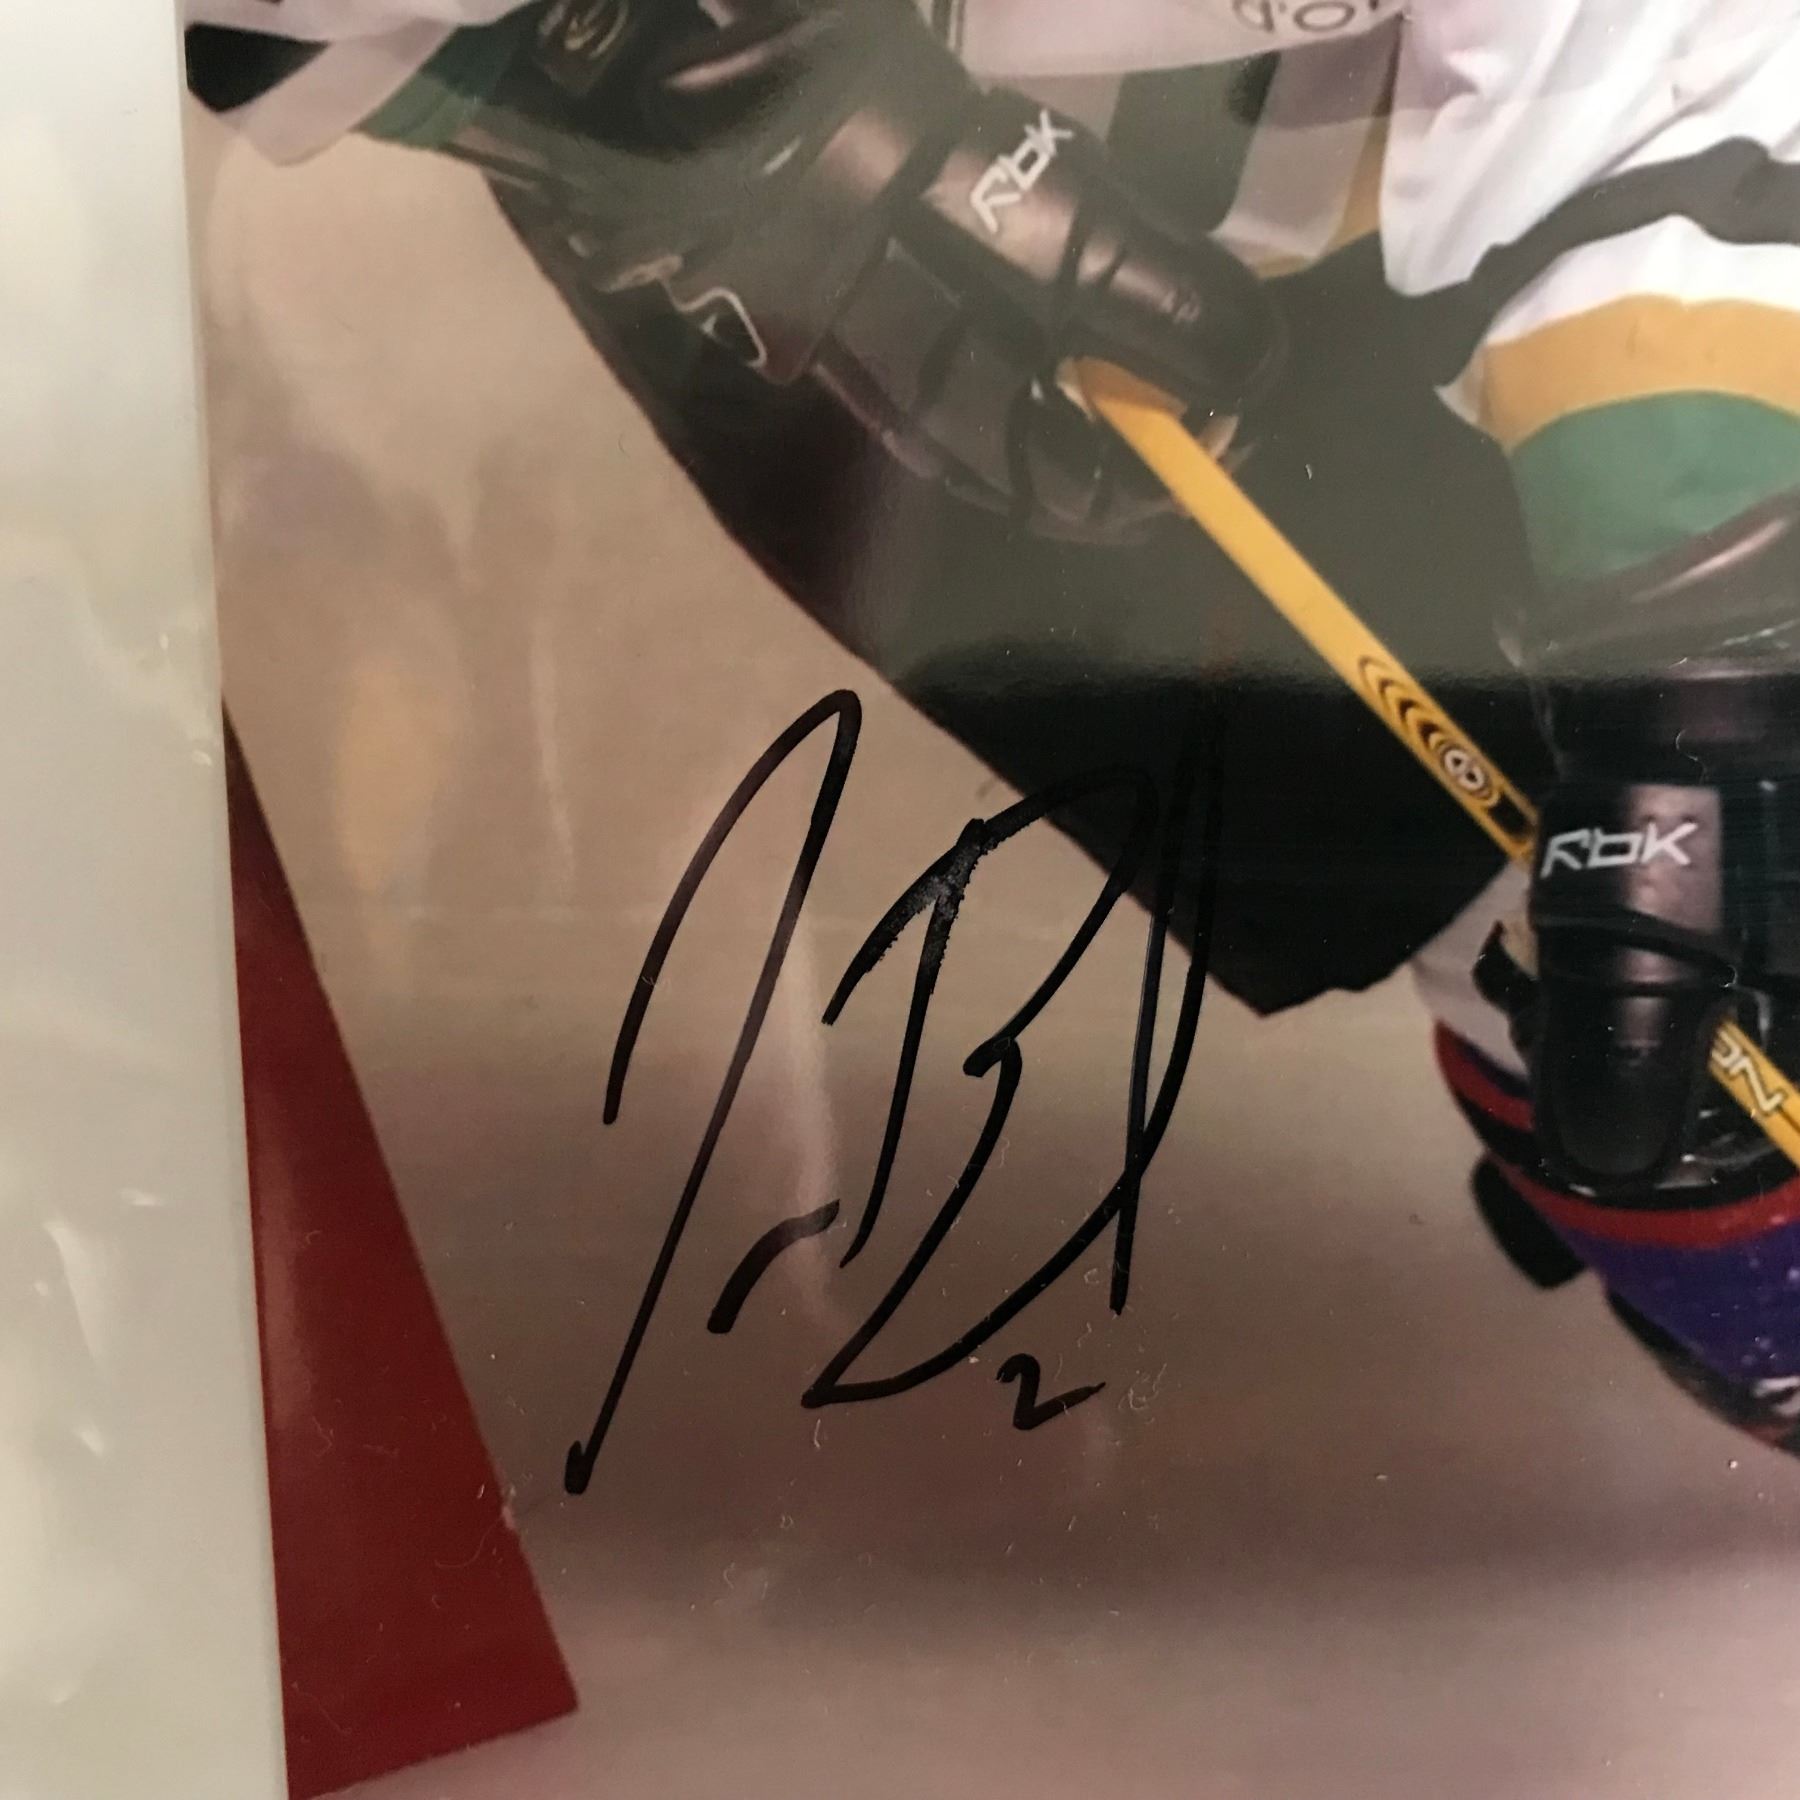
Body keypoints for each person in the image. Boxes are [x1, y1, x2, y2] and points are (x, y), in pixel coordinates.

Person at [183, 0, 1800, 1451]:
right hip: (899, 247)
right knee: (1510, 894)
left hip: (1393, 132)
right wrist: (656, 85)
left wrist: (1703, 620)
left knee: (1708, 836)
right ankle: (1599, 1070)